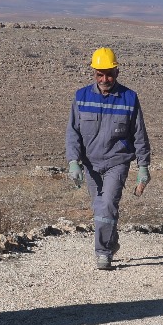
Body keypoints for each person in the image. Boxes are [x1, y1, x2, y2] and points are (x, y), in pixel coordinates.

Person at [66, 47, 151, 270]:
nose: (105, 79)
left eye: (109, 74)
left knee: (107, 204)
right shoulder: (81, 97)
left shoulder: (129, 98)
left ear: (117, 72)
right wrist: (73, 161)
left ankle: (103, 253)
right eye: (100, 74)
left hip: (117, 161)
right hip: (91, 163)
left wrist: (143, 166)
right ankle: (111, 242)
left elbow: (139, 134)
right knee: (100, 208)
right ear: (94, 73)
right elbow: (73, 132)